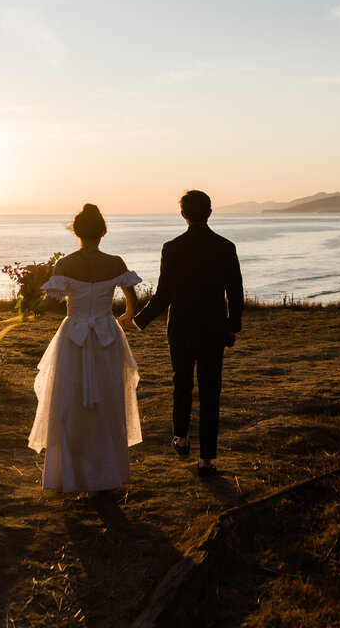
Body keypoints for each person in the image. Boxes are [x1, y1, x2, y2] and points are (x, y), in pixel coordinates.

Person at [121, 190, 243, 479]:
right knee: (211, 390)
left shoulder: (172, 248)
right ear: (210, 212)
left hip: (181, 328)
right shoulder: (225, 247)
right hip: (214, 327)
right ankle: (206, 460)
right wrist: (232, 326)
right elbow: (235, 291)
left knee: (182, 383)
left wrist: (139, 321)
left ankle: (182, 438)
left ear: (183, 214)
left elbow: (164, 295)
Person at [28, 204, 142, 493]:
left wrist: (30, 308)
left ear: (76, 232)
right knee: (107, 400)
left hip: (73, 337)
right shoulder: (115, 262)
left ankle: (68, 473)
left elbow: (50, 302)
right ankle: (106, 473)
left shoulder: (65, 264)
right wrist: (127, 316)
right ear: (102, 232)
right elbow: (132, 297)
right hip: (106, 336)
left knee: (68, 400)